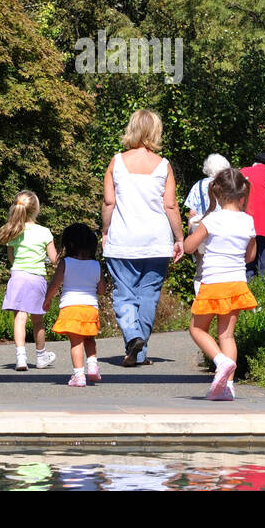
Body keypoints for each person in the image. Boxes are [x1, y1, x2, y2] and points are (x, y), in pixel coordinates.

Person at [101, 109, 186, 367]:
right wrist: (179, 237)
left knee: (124, 295)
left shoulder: (116, 162)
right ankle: (137, 353)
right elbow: (170, 206)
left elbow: (108, 202)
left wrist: (105, 232)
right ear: (155, 132)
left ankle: (134, 337)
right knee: (148, 295)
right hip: (156, 242)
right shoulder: (163, 165)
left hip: (123, 240)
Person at [182, 167, 258, 401]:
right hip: (236, 283)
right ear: (242, 196)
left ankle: (220, 361)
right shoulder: (248, 221)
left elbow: (189, 247)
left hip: (214, 282)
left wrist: (191, 234)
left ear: (218, 193)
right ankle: (228, 386)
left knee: (196, 328)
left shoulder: (212, 219)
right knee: (227, 336)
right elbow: (250, 257)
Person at [0, 190, 58, 372]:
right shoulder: (45, 232)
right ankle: (41, 356)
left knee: (19, 319)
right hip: (37, 278)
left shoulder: (13, 231)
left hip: (18, 277)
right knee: (38, 321)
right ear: (36, 209)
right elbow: (54, 259)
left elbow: (11, 258)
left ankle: (21, 357)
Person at [44, 223, 107, 387]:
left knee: (76, 343)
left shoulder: (66, 263)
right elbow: (101, 290)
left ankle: (79, 375)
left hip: (71, 308)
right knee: (90, 339)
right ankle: (92, 365)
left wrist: (47, 299)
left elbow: (55, 284)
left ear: (69, 244)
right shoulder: (95, 265)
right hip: (90, 308)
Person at [184, 153, 231, 296]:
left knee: (201, 273)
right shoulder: (228, 187)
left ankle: (202, 303)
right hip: (223, 235)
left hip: (202, 236)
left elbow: (192, 214)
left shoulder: (198, 185)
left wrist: (190, 236)